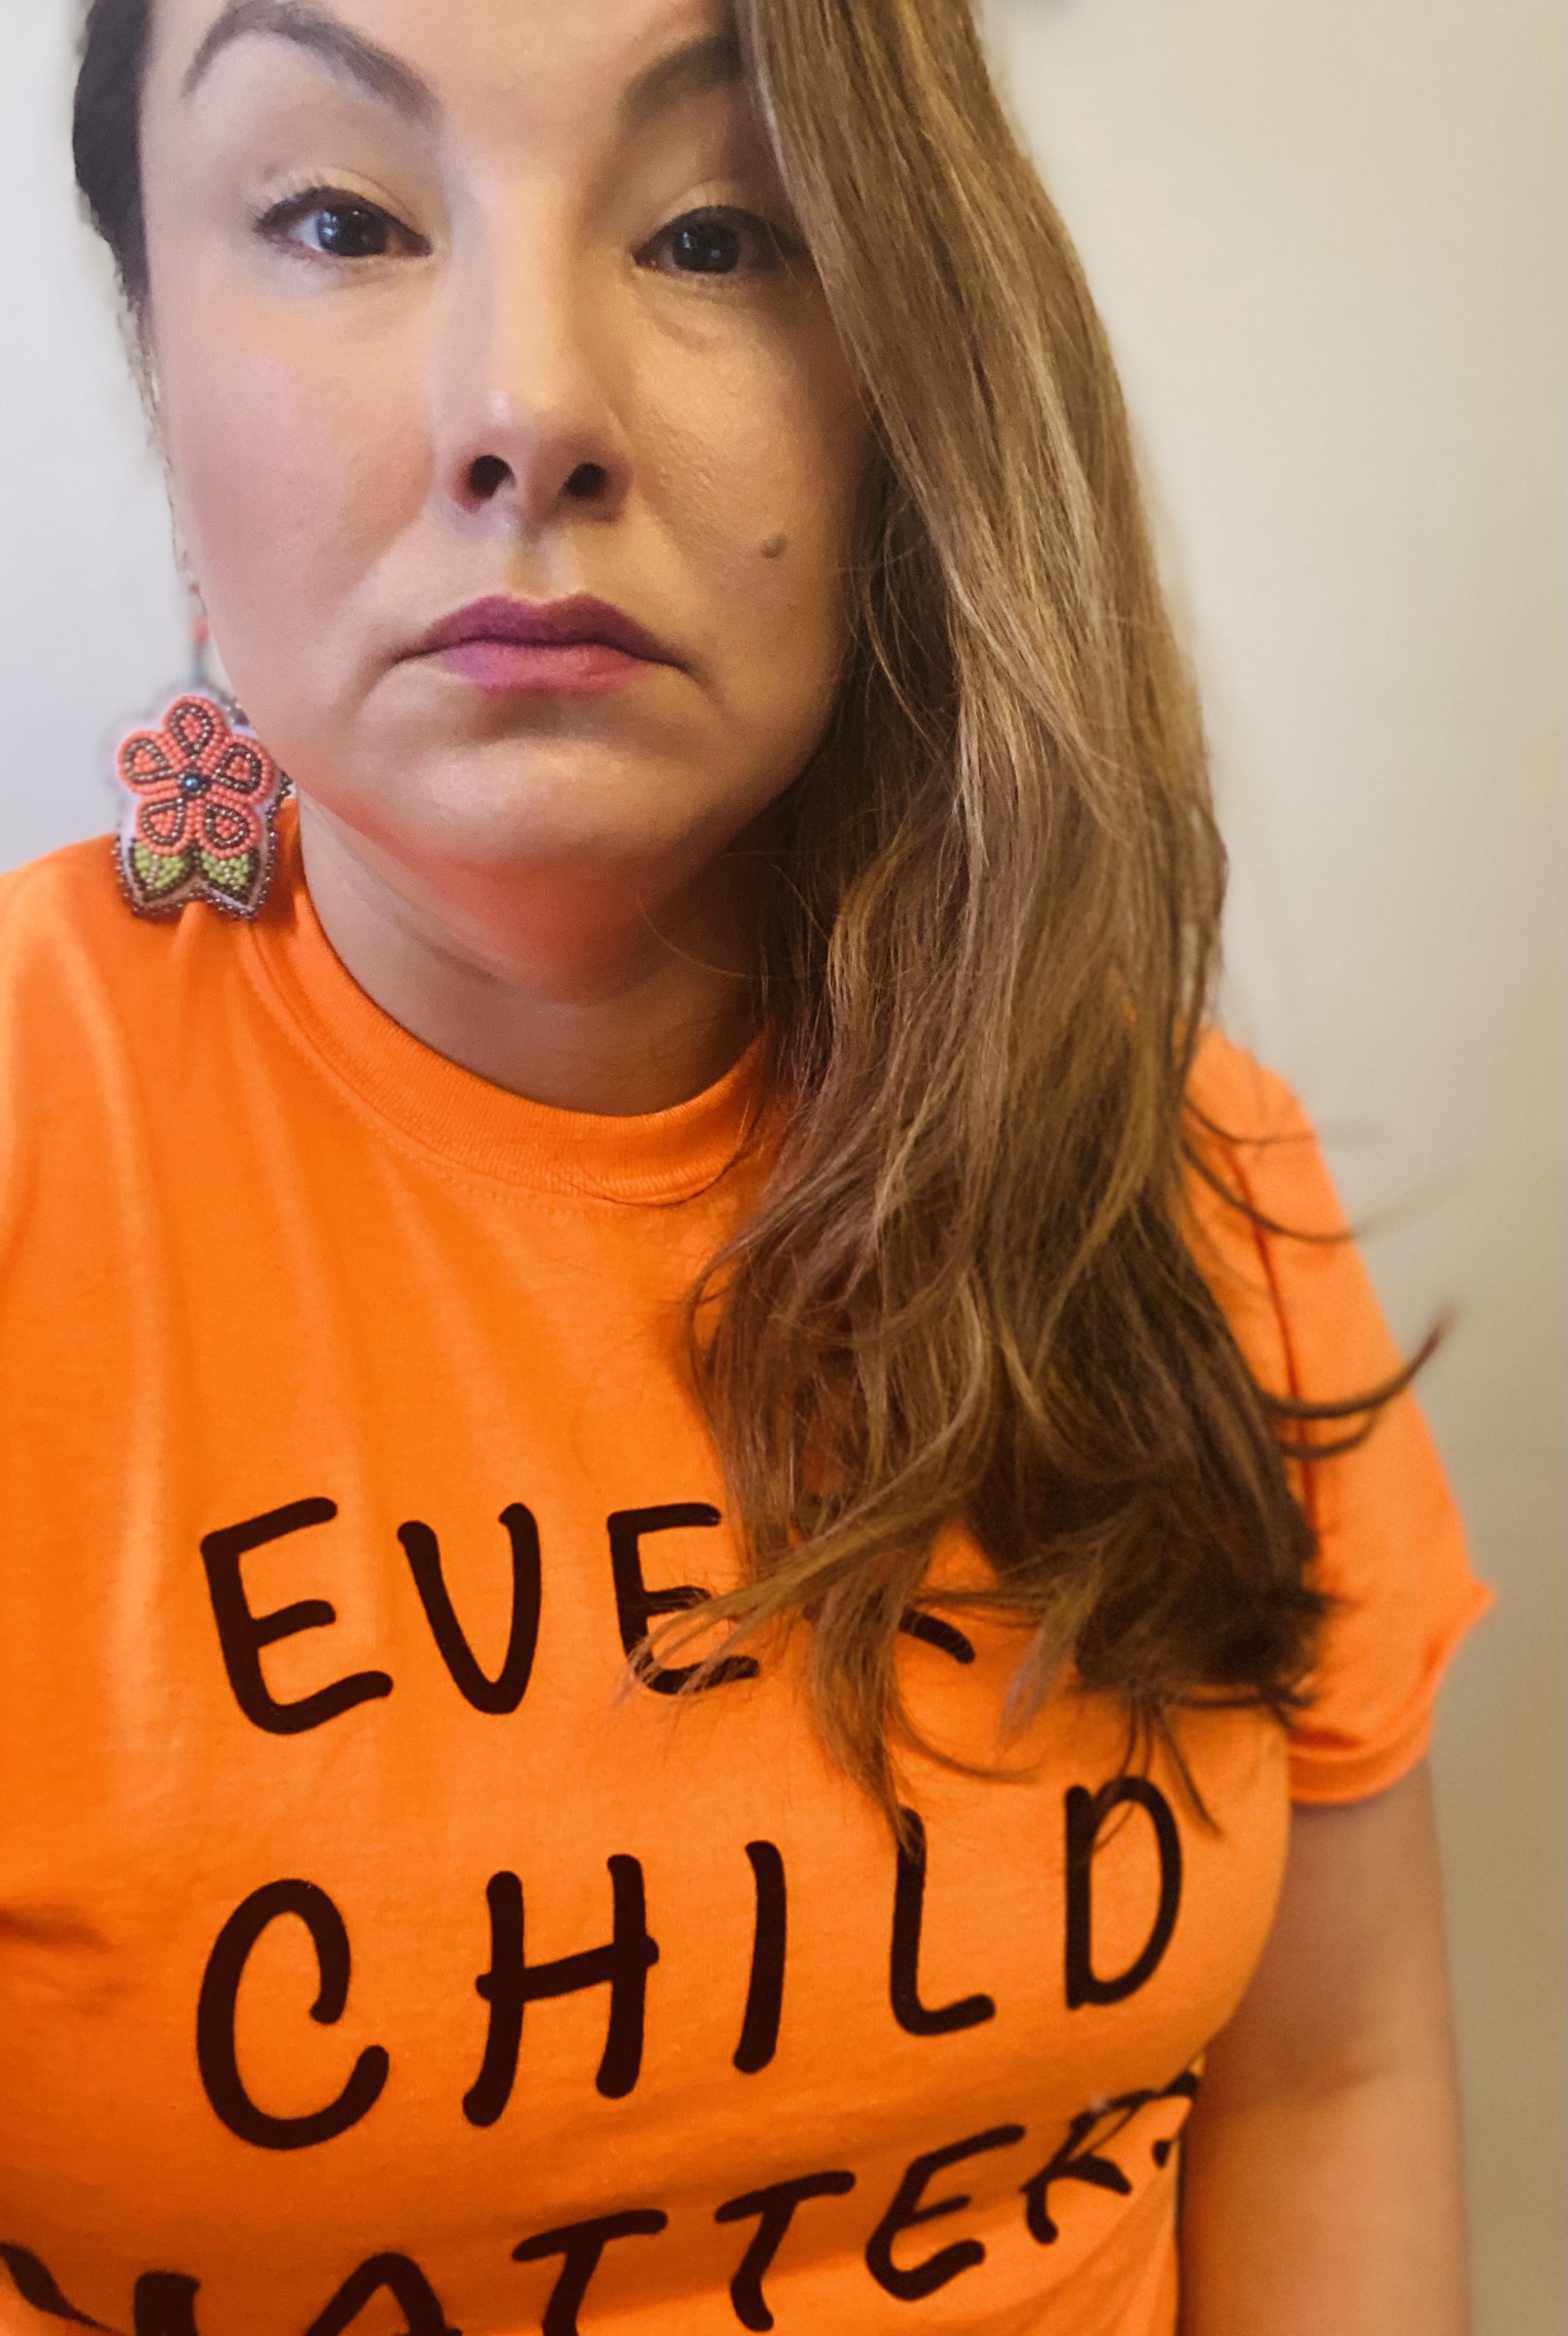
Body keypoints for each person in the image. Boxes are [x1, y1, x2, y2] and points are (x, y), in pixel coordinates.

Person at [0, 2, 1488, 2331]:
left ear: (913, 365)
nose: (530, 409)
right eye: (336, 216)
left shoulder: (1185, 1175)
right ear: (155, 352)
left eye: (717, 229)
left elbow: (1322, 2075)